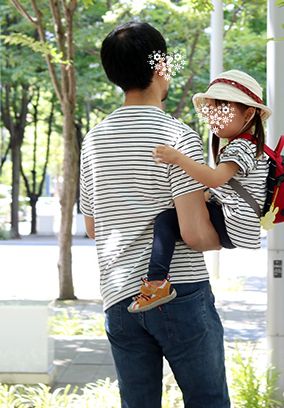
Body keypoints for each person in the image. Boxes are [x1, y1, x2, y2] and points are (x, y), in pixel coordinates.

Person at [79, 21, 230, 408]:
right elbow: (195, 234)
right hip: (180, 292)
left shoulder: (94, 140)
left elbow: (94, 227)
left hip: (119, 297)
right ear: (160, 65)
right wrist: (233, 234)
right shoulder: (177, 137)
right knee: (208, 401)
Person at [128, 70, 272, 313]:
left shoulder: (243, 146)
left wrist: (178, 158)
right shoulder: (244, 145)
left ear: (249, 113)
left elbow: (215, 180)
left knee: (165, 220)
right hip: (231, 221)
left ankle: (156, 283)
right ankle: (157, 279)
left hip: (230, 225)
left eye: (222, 108)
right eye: (211, 109)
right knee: (173, 218)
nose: (213, 115)